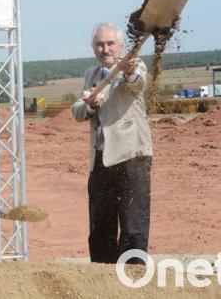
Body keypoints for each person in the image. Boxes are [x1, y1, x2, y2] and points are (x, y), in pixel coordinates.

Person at [71, 22, 153, 264]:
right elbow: (77, 111)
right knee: (100, 228)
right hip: (100, 160)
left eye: (110, 43)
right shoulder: (91, 75)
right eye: (99, 44)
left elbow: (136, 83)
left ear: (121, 46)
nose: (104, 48)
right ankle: (102, 279)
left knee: (133, 226)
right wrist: (90, 105)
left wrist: (127, 71)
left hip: (131, 157)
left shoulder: (135, 66)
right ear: (93, 48)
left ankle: (132, 278)